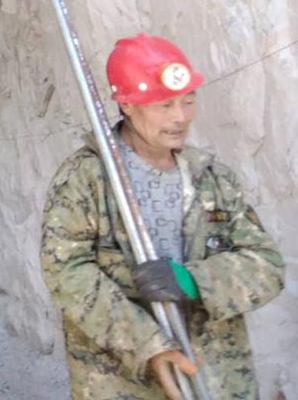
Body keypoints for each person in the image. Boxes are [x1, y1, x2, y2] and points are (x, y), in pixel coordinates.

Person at [41, 33, 285, 399]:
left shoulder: (212, 178)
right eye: (164, 105)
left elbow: (266, 266)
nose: (180, 117)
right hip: (123, 382)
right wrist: (147, 345)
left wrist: (192, 280)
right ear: (126, 104)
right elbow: (66, 273)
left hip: (216, 378)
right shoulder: (87, 179)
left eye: (188, 101)